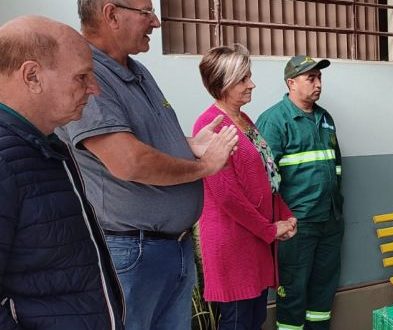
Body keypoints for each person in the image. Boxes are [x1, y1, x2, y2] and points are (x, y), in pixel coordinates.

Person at [57, 1, 239, 329]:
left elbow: (144, 140)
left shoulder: (135, 70)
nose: (156, 22)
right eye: (146, 12)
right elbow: (129, 162)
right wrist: (204, 167)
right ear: (111, 14)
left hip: (170, 248)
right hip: (131, 251)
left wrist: (189, 146)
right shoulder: (87, 74)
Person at [0, 15, 124, 329]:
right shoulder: (6, 159)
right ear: (32, 76)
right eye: (82, 77)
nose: (94, 89)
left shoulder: (45, 144)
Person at [192, 45, 297, 329]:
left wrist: (283, 215)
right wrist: (270, 229)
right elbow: (228, 196)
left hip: (255, 240)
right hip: (234, 245)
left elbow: (266, 175)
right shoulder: (211, 124)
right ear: (222, 83)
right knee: (238, 321)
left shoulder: (245, 120)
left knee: (254, 319)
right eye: (243, 79)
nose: (251, 84)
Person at [256, 55, 343, 330]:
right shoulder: (274, 120)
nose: (318, 84)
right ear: (291, 83)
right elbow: (264, 179)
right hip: (296, 225)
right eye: (311, 78)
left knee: (322, 293)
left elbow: (336, 167)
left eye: (320, 78)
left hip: (329, 221)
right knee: (292, 293)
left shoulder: (325, 118)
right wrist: (280, 222)